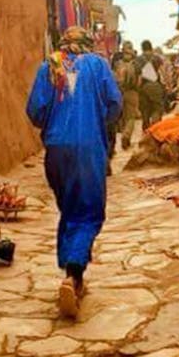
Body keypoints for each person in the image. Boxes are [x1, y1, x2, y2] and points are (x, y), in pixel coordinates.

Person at [26, 26, 123, 317]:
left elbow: (35, 111)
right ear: (87, 44)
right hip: (87, 148)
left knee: (70, 209)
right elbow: (115, 104)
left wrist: (57, 123)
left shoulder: (50, 65)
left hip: (56, 151)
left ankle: (72, 272)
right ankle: (74, 274)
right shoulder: (97, 65)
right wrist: (95, 119)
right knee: (88, 212)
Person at [113, 42, 141, 150]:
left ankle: (121, 137)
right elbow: (139, 82)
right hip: (132, 93)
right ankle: (126, 136)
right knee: (130, 117)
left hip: (119, 92)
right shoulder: (136, 65)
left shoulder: (117, 64)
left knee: (122, 117)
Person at [136, 40, 168, 128]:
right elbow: (163, 72)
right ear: (151, 47)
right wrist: (166, 85)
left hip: (144, 87)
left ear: (142, 48)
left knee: (145, 110)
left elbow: (138, 75)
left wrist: (138, 89)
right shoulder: (157, 58)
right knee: (157, 109)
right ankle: (155, 128)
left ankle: (146, 130)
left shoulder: (139, 59)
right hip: (155, 85)